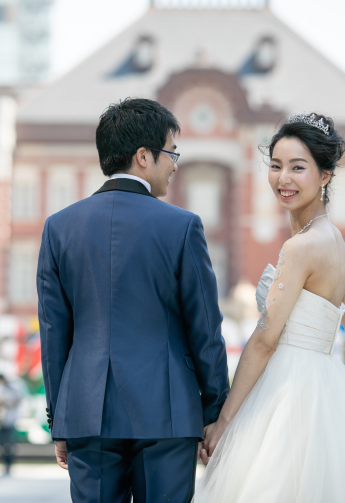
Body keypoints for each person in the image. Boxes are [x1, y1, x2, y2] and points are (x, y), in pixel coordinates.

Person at [197, 113, 345, 502]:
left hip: (287, 392)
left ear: (325, 176)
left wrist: (224, 422)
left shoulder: (300, 247)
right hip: (330, 389)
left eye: (298, 167)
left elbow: (266, 339)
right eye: (276, 166)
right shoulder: (338, 245)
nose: (283, 178)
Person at [38, 98, 229, 502]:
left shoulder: (58, 228)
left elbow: (54, 333)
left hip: (86, 413)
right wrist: (214, 413)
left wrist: (60, 420)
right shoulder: (182, 226)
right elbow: (205, 329)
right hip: (168, 413)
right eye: (171, 153)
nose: (175, 164)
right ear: (144, 156)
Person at [0, 375, 23, 475]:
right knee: (1, 444)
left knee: (9, 445)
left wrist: (6, 403)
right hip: (0, 421)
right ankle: (4, 464)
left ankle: (8, 465)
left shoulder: (12, 390)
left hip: (10, 420)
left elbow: (17, 400)